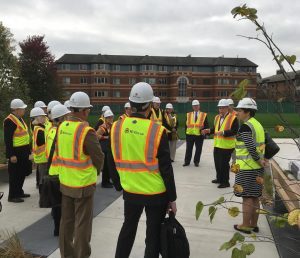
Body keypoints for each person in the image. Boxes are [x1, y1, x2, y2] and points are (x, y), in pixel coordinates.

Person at [108, 82, 177, 258]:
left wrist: (118, 185)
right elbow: (166, 168)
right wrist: (172, 198)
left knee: (128, 229)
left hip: (130, 191)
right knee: (153, 235)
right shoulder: (157, 130)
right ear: (149, 106)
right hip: (156, 194)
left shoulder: (116, 127)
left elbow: (111, 159)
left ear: (130, 104)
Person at [57, 91, 104, 258]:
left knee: (66, 223)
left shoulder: (62, 127)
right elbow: (98, 156)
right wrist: (96, 171)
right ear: (84, 111)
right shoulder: (86, 130)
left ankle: (67, 255)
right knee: (83, 225)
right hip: (83, 185)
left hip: (66, 183)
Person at [233, 98, 267, 234]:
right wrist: (262, 161)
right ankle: (253, 225)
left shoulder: (246, 126)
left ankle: (245, 225)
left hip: (247, 168)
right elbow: (262, 145)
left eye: (240, 110)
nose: (237, 113)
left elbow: (251, 147)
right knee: (255, 197)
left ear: (247, 112)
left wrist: (259, 160)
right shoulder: (257, 124)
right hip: (257, 169)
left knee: (247, 197)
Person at [46, 104, 71, 236]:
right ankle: (63, 229)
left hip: (52, 171)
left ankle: (57, 228)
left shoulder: (50, 131)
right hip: (61, 173)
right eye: (67, 116)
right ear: (62, 118)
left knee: (56, 204)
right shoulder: (62, 133)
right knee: (63, 204)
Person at [202, 99, 238, 188]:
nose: (220, 110)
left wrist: (223, 133)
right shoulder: (217, 117)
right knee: (217, 163)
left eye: (222, 108)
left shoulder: (233, 118)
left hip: (227, 146)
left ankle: (225, 182)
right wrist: (209, 130)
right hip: (218, 145)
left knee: (224, 165)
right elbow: (215, 129)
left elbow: (234, 131)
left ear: (227, 108)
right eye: (219, 108)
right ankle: (219, 179)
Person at [4, 99, 32, 203]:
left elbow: (24, 135)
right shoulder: (9, 121)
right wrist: (11, 155)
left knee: (22, 172)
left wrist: (28, 150)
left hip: (23, 150)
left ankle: (19, 192)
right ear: (16, 109)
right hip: (16, 152)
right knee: (15, 175)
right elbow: (8, 139)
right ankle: (12, 196)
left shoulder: (20, 119)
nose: (24, 110)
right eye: (22, 108)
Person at [183, 100, 209, 167]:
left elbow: (206, 125)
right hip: (190, 135)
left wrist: (205, 132)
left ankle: (196, 162)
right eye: (194, 106)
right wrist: (186, 134)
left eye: (197, 105)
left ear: (199, 106)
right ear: (192, 106)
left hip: (199, 135)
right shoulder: (188, 114)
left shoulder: (203, 115)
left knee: (198, 149)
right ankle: (187, 162)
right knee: (188, 149)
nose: (195, 107)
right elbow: (186, 125)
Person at [30, 107, 48, 191]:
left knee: (42, 178)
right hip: (43, 157)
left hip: (40, 157)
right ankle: (43, 198)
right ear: (37, 118)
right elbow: (42, 142)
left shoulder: (36, 128)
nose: (44, 118)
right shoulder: (40, 130)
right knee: (43, 180)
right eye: (42, 116)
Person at [96, 109, 114, 188]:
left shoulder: (112, 125)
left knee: (109, 166)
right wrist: (105, 137)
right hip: (104, 149)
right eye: (108, 118)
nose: (110, 119)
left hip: (109, 148)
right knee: (106, 166)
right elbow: (97, 136)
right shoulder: (103, 127)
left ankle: (107, 181)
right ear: (105, 118)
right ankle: (104, 182)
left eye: (111, 117)